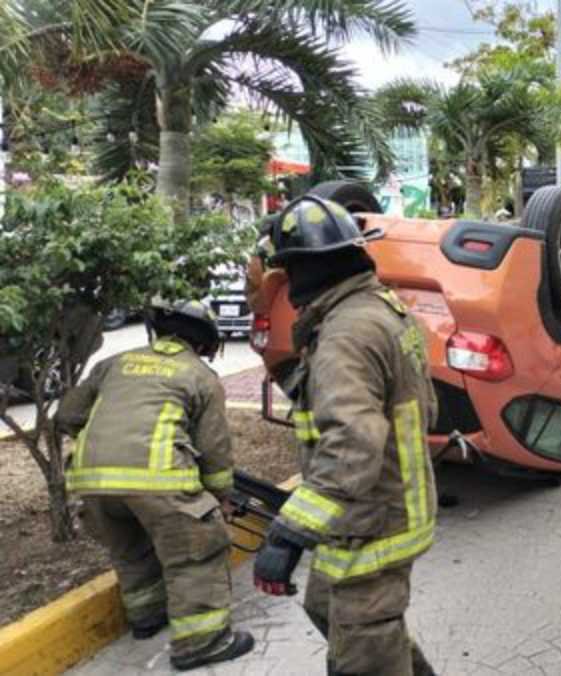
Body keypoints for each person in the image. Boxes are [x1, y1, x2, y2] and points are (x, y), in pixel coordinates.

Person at [252, 196, 438, 676]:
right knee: (331, 609)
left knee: (364, 646)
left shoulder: (346, 334)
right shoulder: (382, 309)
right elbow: (423, 406)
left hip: (374, 518)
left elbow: (351, 444)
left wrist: (289, 533)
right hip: (372, 508)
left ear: (301, 269)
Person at [55, 301, 253, 671]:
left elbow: (68, 415)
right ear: (206, 343)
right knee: (196, 553)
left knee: (131, 550)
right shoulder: (199, 375)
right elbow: (214, 451)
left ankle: (147, 619)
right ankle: (202, 641)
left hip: (91, 481)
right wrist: (219, 497)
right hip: (159, 480)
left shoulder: (115, 362)